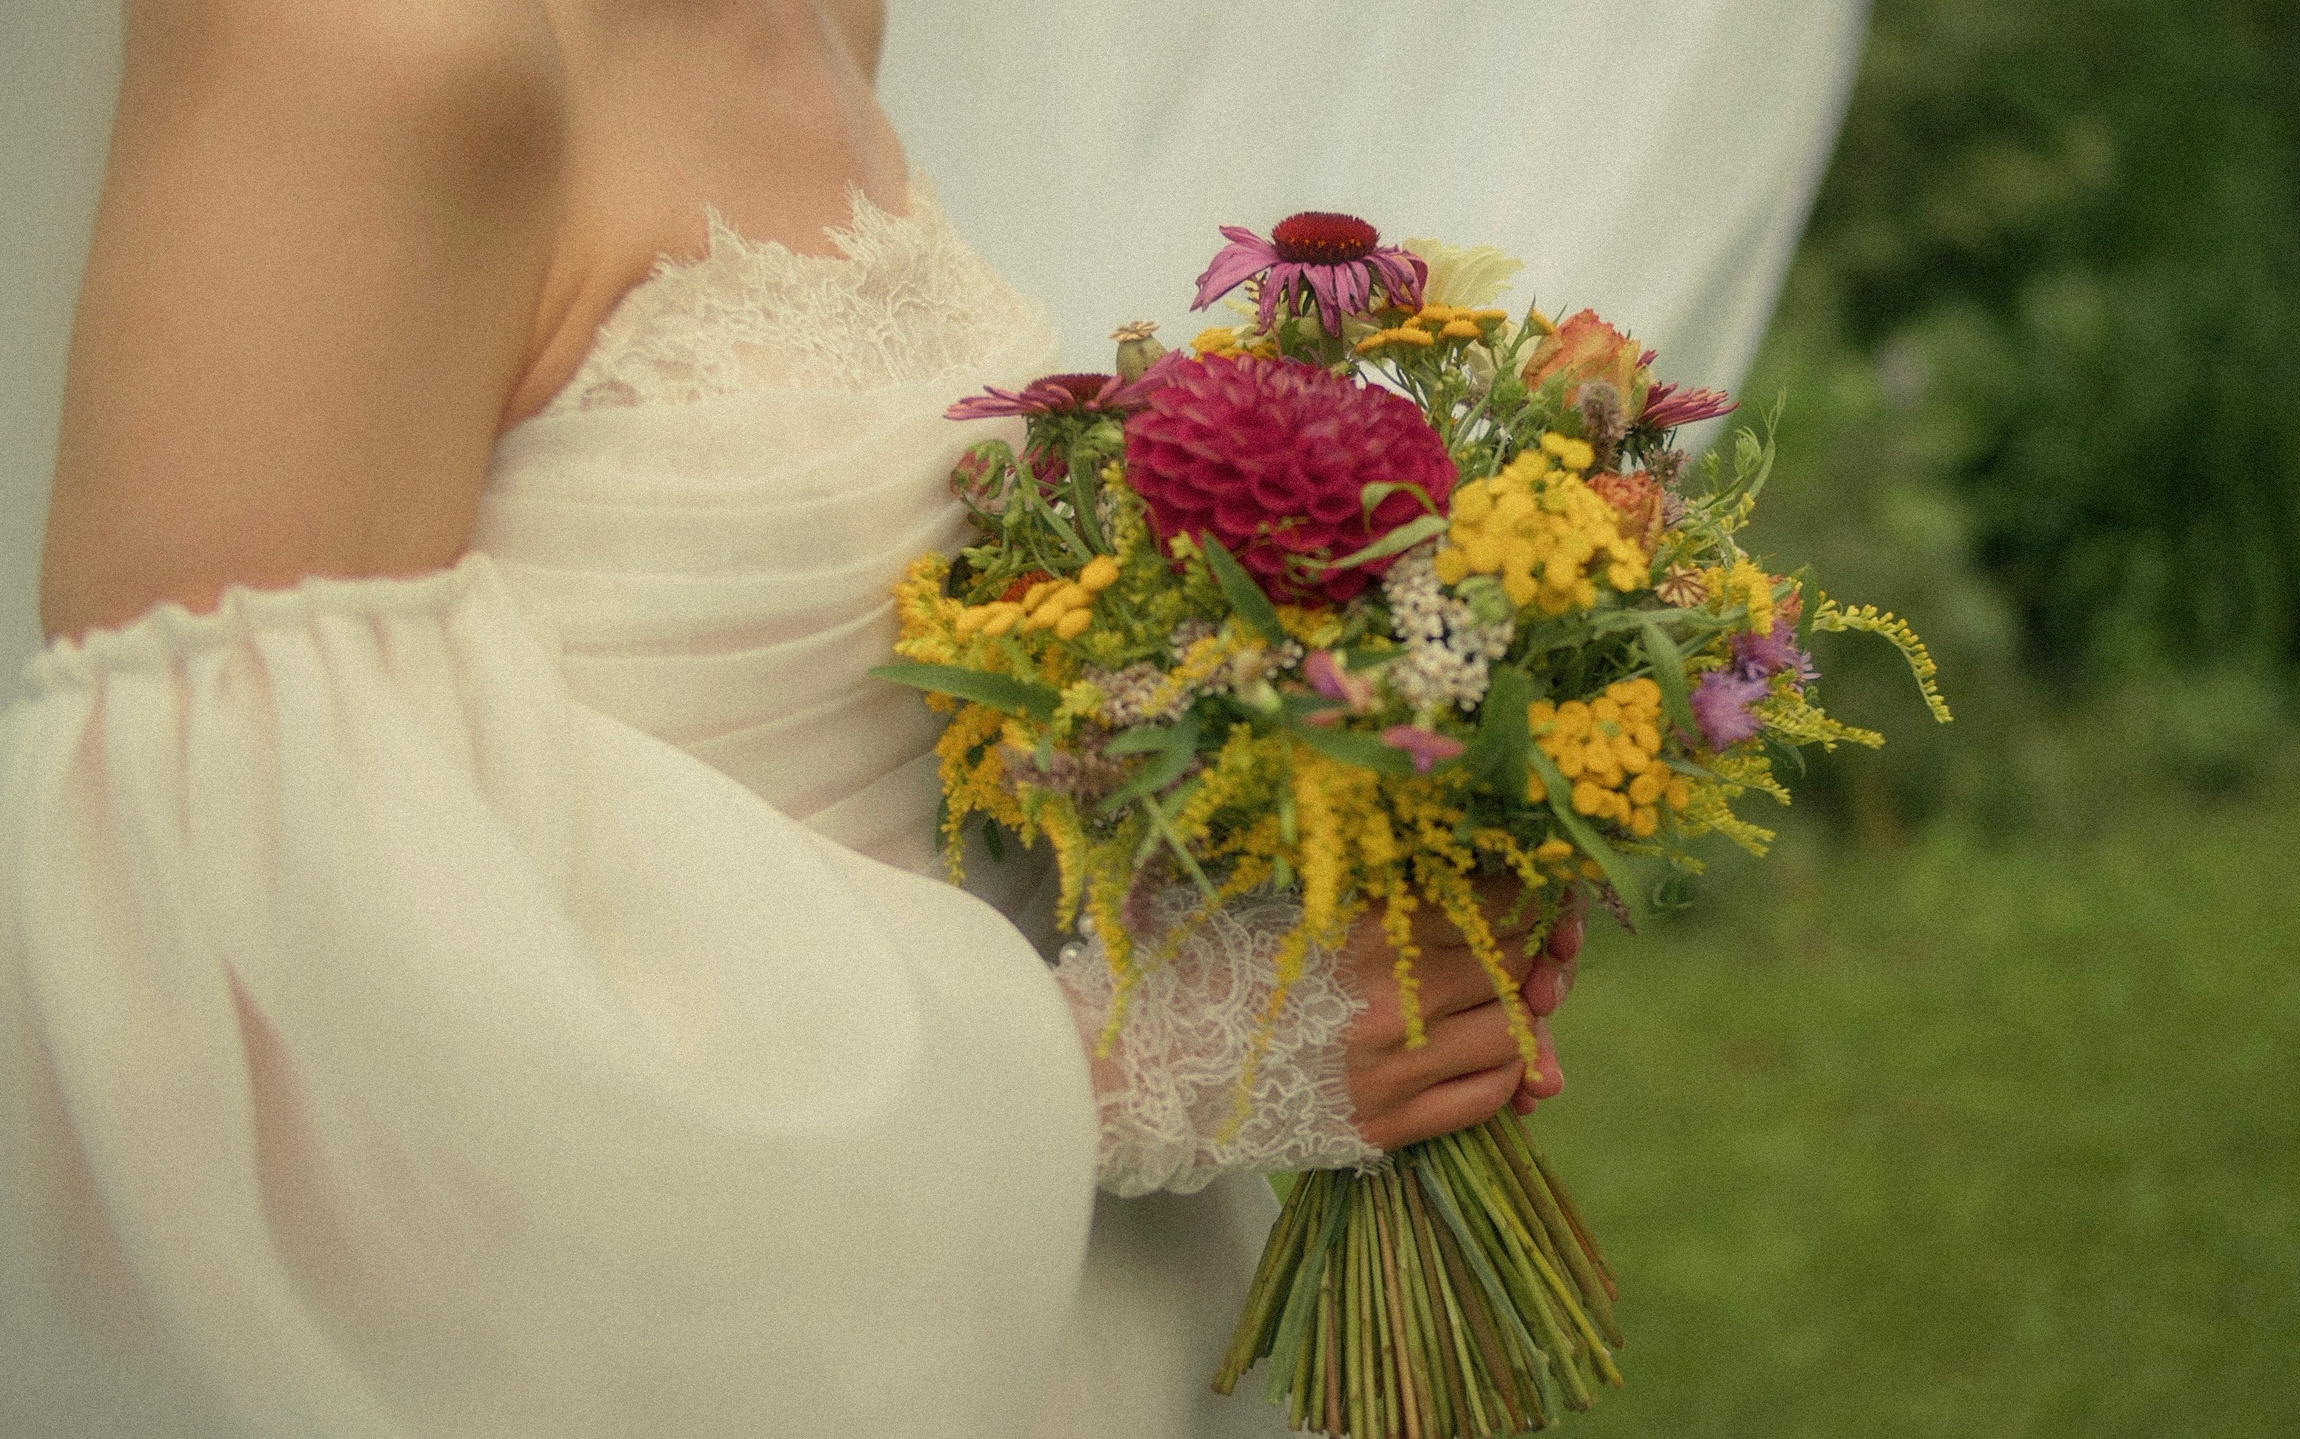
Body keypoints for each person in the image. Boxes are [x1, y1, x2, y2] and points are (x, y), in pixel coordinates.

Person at [0, 3, 1582, 1435]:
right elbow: (214, 940)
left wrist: (1239, 825)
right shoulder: (356, 40)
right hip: (658, 1335)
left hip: (1055, 1303)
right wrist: (1132, 1066)